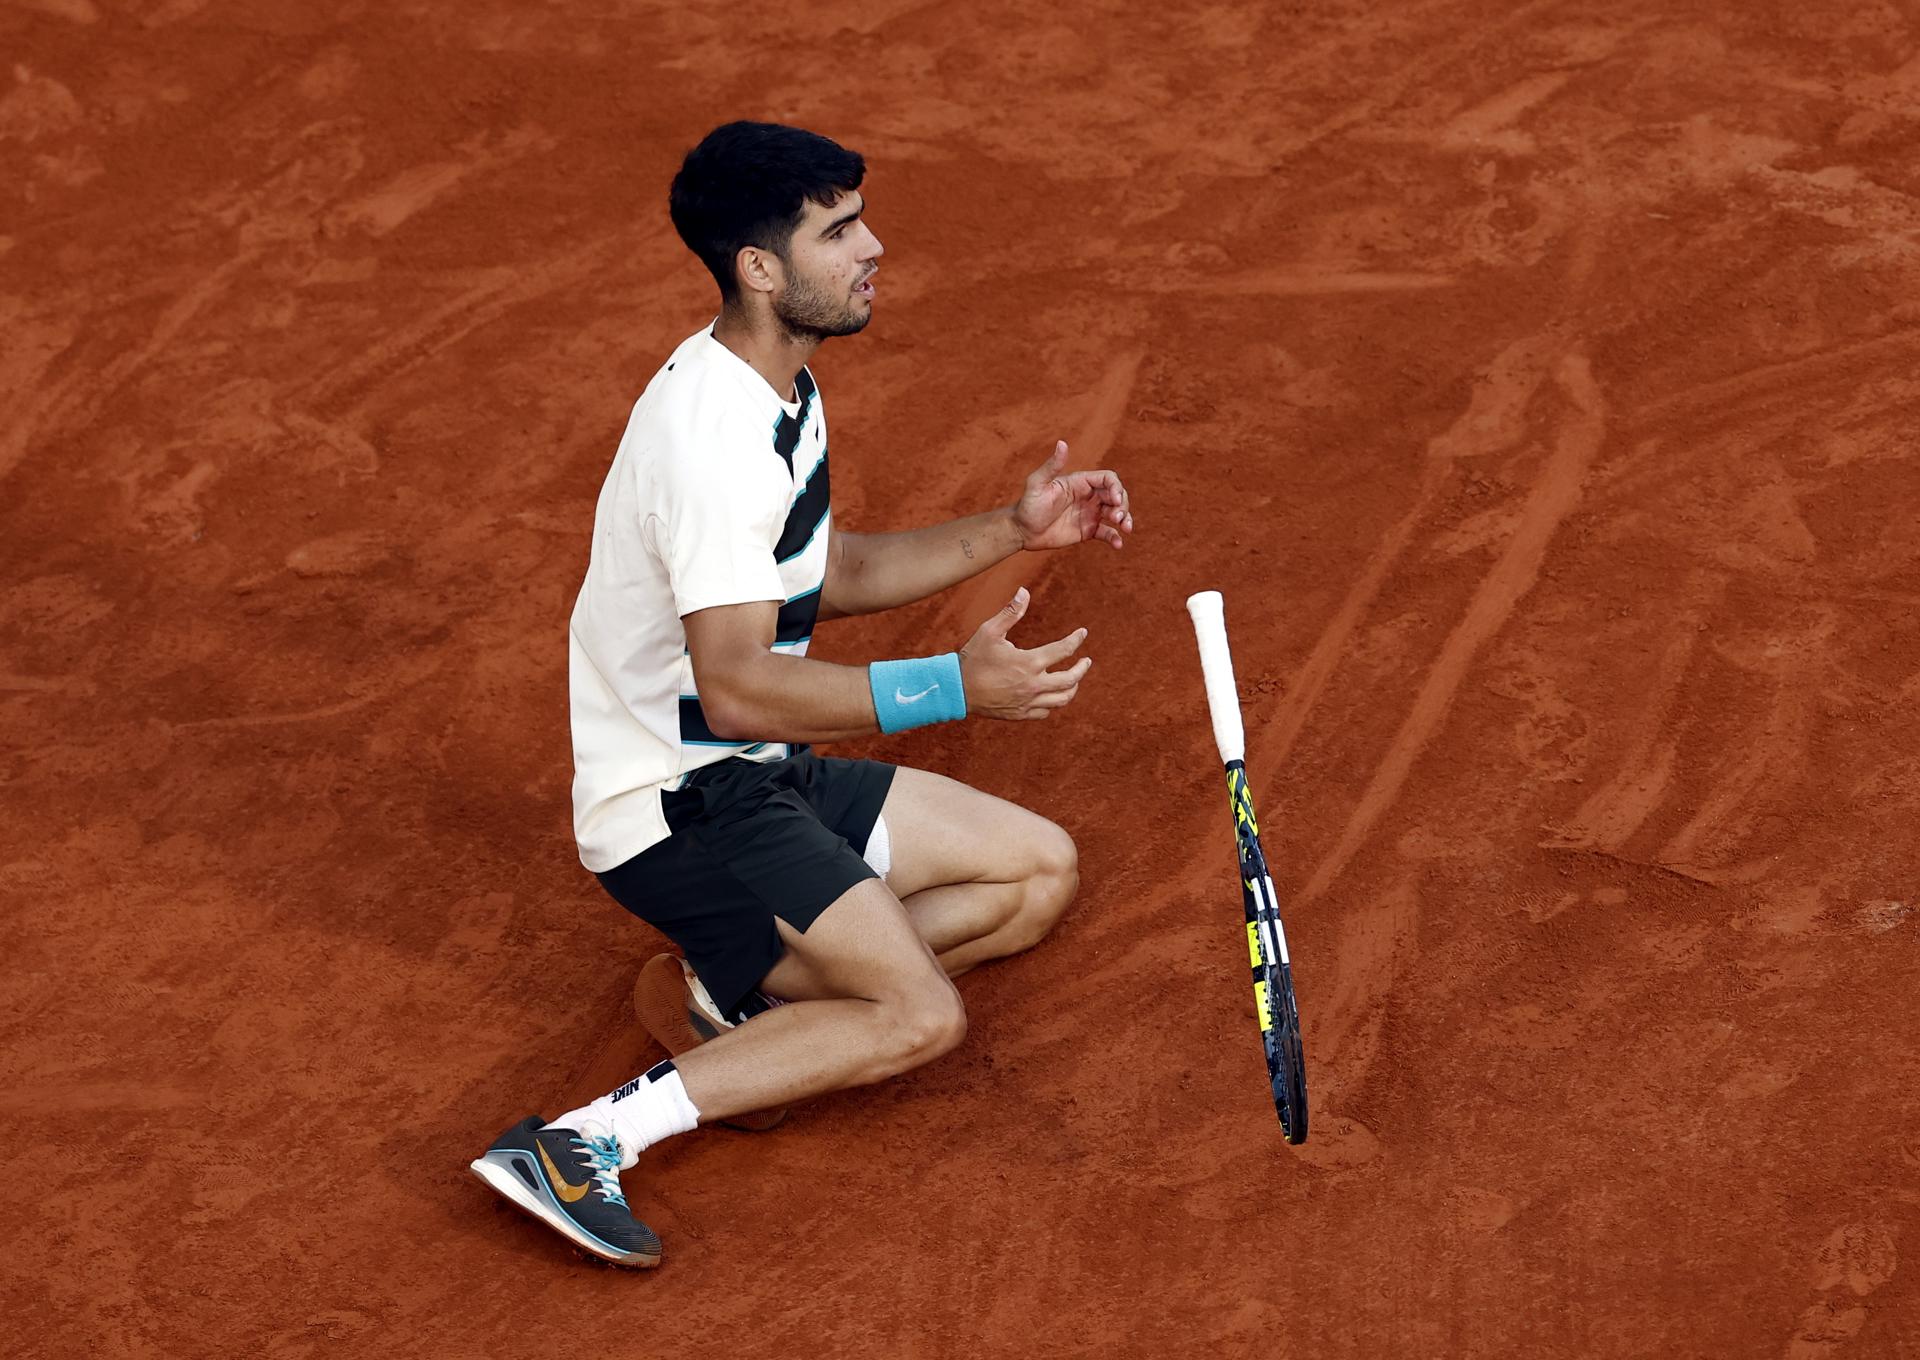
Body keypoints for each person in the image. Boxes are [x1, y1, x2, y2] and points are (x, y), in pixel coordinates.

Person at [469, 121, 1134, 1267]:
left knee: (1036, 871)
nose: (872, 246)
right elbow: (734, 689)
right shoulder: (712, 441)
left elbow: (826, 575)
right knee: (919, 1015)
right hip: (681, 805)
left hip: (754, 772)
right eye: (839, 231)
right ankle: (581, 1142)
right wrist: (949, 688)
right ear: (759, 268)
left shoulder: (778, 387)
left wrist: (1013, 531)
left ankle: (755, 1015)